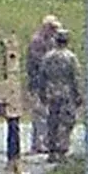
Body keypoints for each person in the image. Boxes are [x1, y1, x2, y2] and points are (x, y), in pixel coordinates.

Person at [36, 28, 83, 160]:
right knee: (67, 121)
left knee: (52, 121)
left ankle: (51, 150)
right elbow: (75, 77)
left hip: (51, 92)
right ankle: (62, 149)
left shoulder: (47, 57)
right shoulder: (71, 58)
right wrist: (78, 94)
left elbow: (42, 76)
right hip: (66, 93)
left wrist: (42, 93)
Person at [25, 15, 61, 151]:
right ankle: (38, 143)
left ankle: (47, 141)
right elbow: (38, 62)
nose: (54, 32)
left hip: (49, 84)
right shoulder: (37, 41)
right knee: (40, 113)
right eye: (52, 28)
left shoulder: (52, 42)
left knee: (49, 114)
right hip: (38, 84)